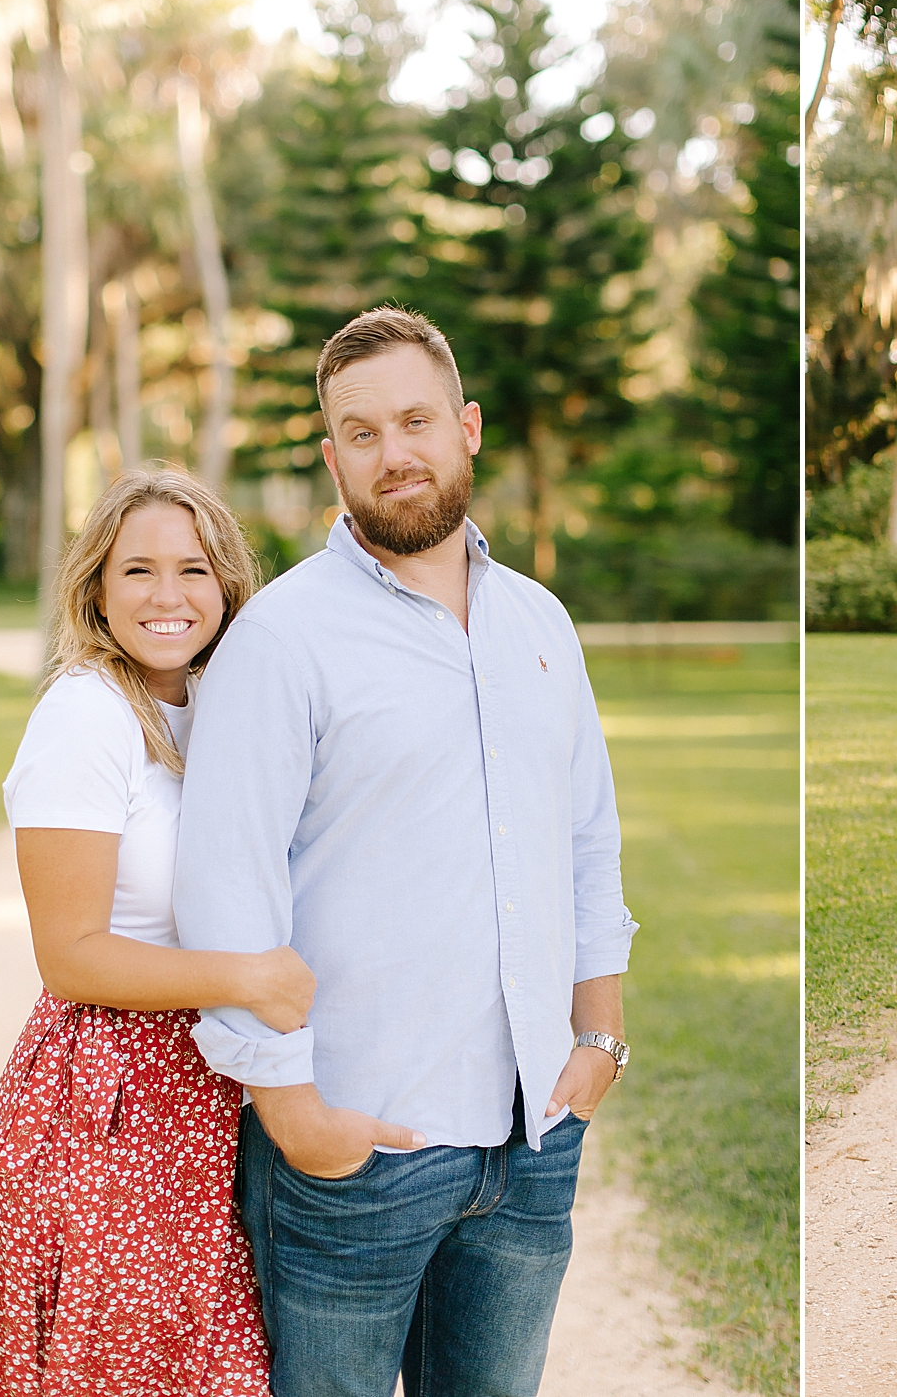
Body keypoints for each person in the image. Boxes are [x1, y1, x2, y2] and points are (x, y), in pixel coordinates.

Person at [170, 306, 638, 1397]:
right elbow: (225, 885)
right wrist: (294, 1113)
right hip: (355, 1147)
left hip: (532, 1135)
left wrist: (599, 1036)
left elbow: (586, 837)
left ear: (466, 427)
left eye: (416, 419)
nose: (396, 453)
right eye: (363, 432)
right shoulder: (282, 638)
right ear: (332, 457)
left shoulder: (540, 622)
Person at [0, 468, 312, 1395]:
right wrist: (245, 979)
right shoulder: (86, 714)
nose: (169, 597)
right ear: (96, 591)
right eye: (139, 571)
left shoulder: (215, 709)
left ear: (230, 585)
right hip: (105, 1098)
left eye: (194, 569)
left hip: (202, 1093)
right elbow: (69, 956)